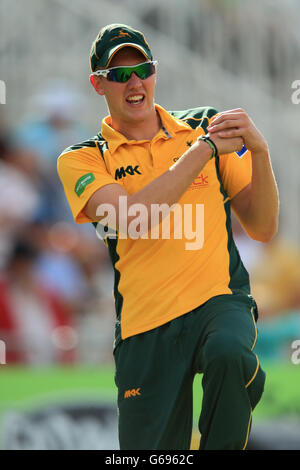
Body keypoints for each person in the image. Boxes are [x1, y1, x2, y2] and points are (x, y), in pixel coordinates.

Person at [57, 24, 279, 450]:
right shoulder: (83, 157)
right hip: (145, 325)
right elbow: (131, 219)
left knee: (231, 354)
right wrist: (203, 151)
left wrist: (262, 152)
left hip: (218, 300)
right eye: (120, 74)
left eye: (142, 69)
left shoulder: (201, 125)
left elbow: (263, 227)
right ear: (98, 83)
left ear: (154, 72)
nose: (134, 82)